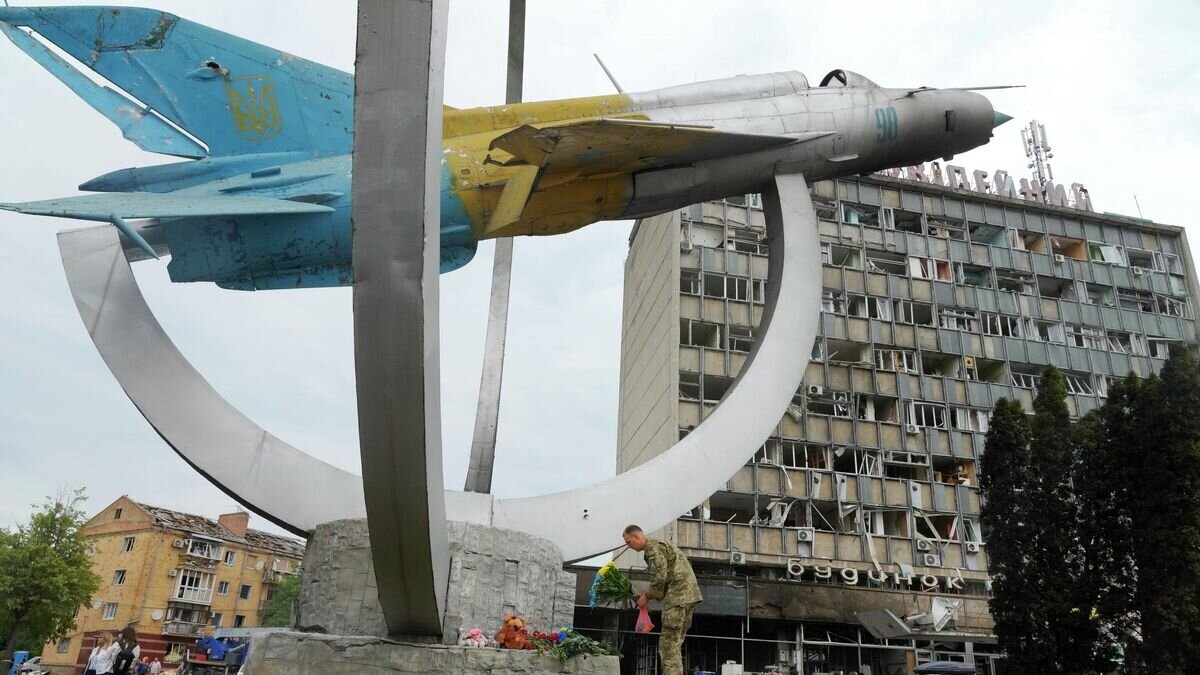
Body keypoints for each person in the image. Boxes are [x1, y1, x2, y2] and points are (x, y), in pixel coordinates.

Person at [623, 524, 702, 675]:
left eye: (629, 542)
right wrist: (653, 596)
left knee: (668, 645)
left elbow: (660, 576)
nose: (629, 547)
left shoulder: (653, 549)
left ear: (637, 537)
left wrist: (647, 597)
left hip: (678, 596)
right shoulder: (659, 546)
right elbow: (664, 579)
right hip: (688, 595)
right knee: (675, 644)